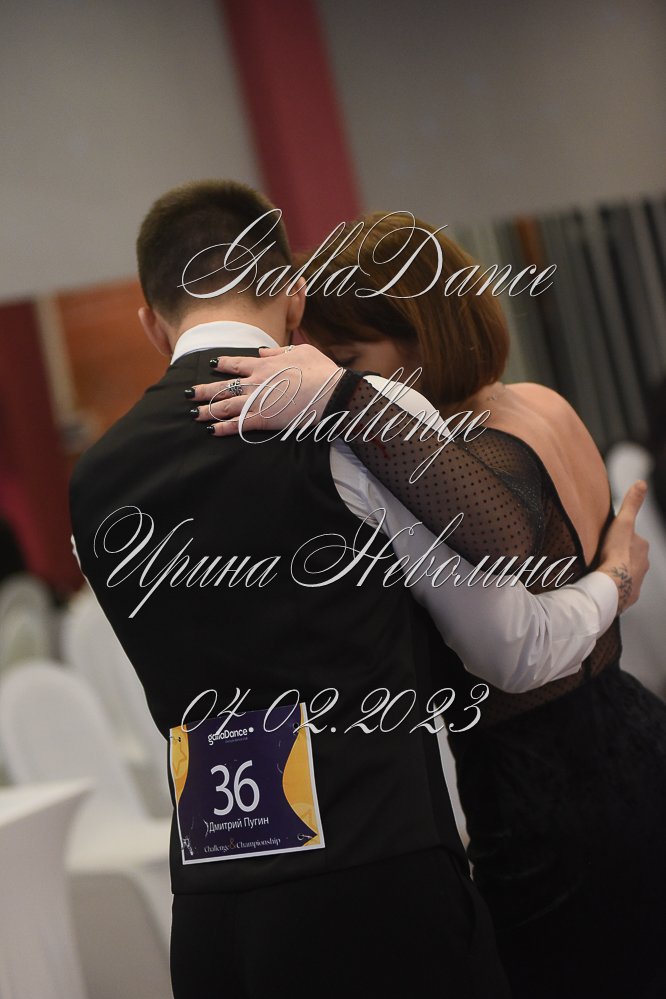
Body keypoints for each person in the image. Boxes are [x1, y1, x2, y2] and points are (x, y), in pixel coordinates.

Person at [70, 186, 645, 999]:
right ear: (293, 295)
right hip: (382, 893)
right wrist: (611, 583)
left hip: (212, 918)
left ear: (150, 323)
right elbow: (509, 647)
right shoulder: (357, 416)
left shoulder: (92, 479)